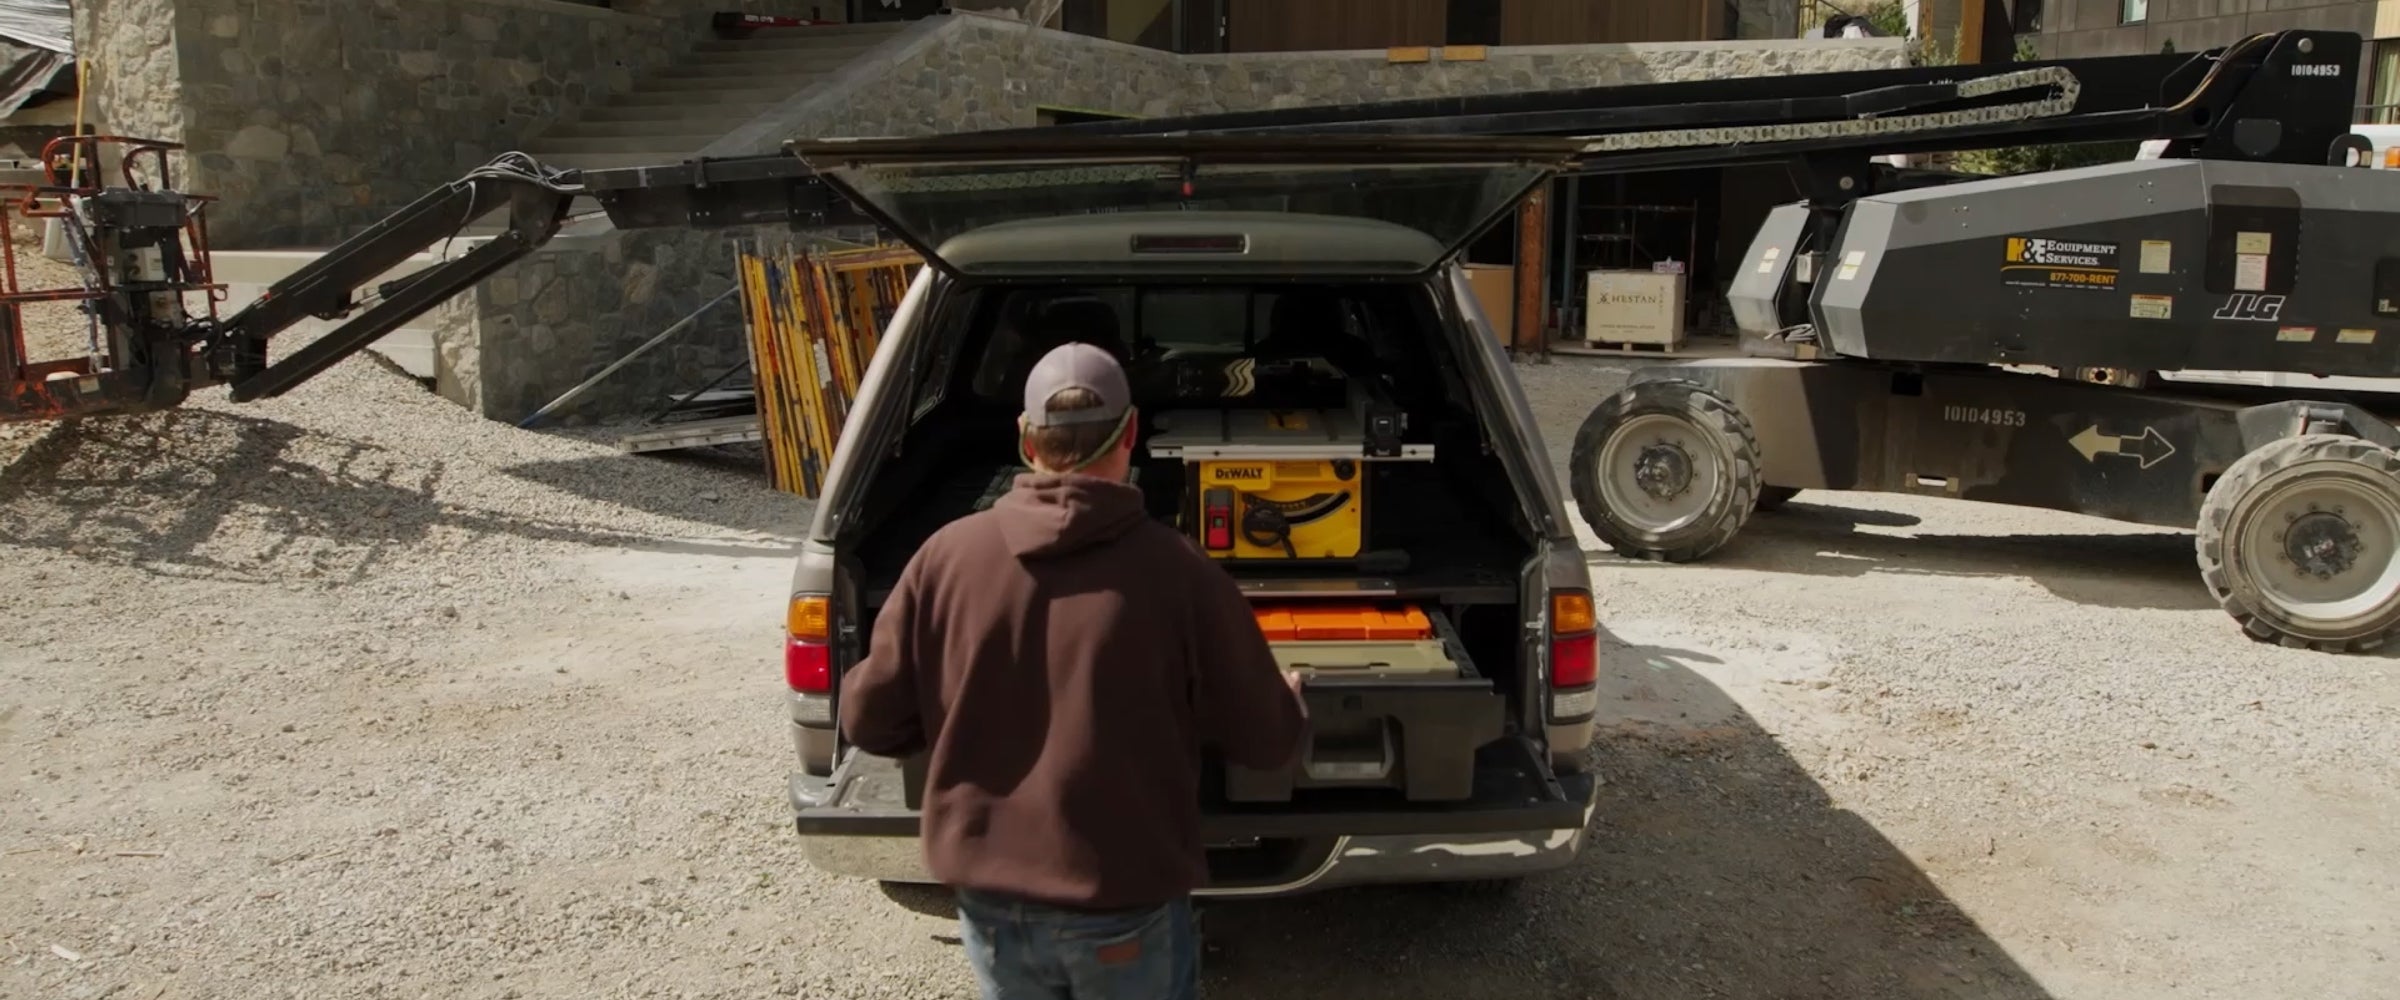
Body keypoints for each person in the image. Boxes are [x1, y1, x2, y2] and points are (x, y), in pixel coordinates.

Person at [838, 341, 1311, 1000]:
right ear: (1133, 435)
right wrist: (1285, 705)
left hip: (993, 907)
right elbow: (1266, 742)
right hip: (1123, 904)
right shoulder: (1181, 574)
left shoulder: (944, 560)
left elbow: (867, 720)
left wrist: (957, 701)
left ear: (1027, 440)